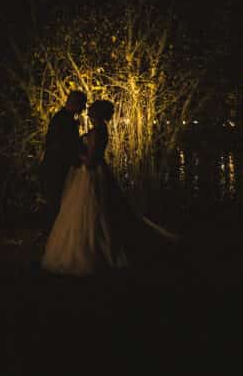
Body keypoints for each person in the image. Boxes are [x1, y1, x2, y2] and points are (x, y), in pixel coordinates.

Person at [42, 99, 179, 277]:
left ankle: (94, 252)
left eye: (90, 112)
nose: (88, 114)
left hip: (90, 175)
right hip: (93, 173)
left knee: (91, 212)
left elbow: (91, 161)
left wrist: (77, 157)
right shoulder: (100, 131)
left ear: (97, 115)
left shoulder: (98, 133)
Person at [39, 90, 87, 234]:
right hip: (56, 168)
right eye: (82, 105)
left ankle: (54, 233)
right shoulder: (62, 120)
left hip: (60, 167)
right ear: (75, 103)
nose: (83, 109)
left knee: (57, 201)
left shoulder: (65, 119)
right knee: (55, 201)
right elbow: (58, 144)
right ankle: (51, 234)